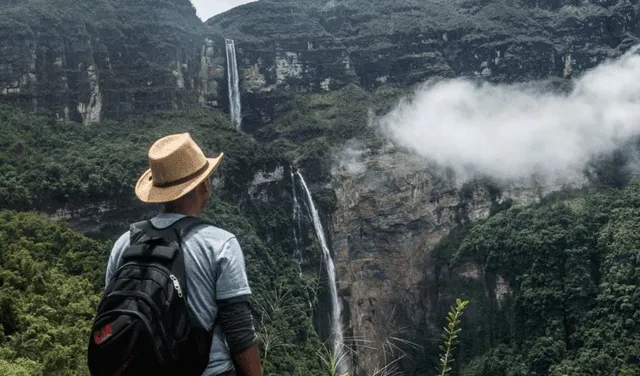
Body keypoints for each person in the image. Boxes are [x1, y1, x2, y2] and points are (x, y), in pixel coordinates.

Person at [104, 133, 263, 376]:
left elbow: (113, 317)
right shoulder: (220, 245)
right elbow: (240, 333)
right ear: (205, 185)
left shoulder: (123, 244)